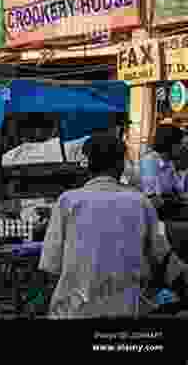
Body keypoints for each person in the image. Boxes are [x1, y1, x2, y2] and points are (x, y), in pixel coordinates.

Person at [40, 131, 188, 318]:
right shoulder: (141, 202)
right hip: (125, 311)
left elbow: (51, 267)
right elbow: (164, 257)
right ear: (121, 165)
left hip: (73, 311)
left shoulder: (67, 201)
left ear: (87, 166)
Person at [139, 125, 188, 214]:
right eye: (180, 144)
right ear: (170, 144)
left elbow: (180, 192)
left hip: (166, 213)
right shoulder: (149, 161)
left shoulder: (169, 163)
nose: (183, 148)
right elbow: (153, 199)